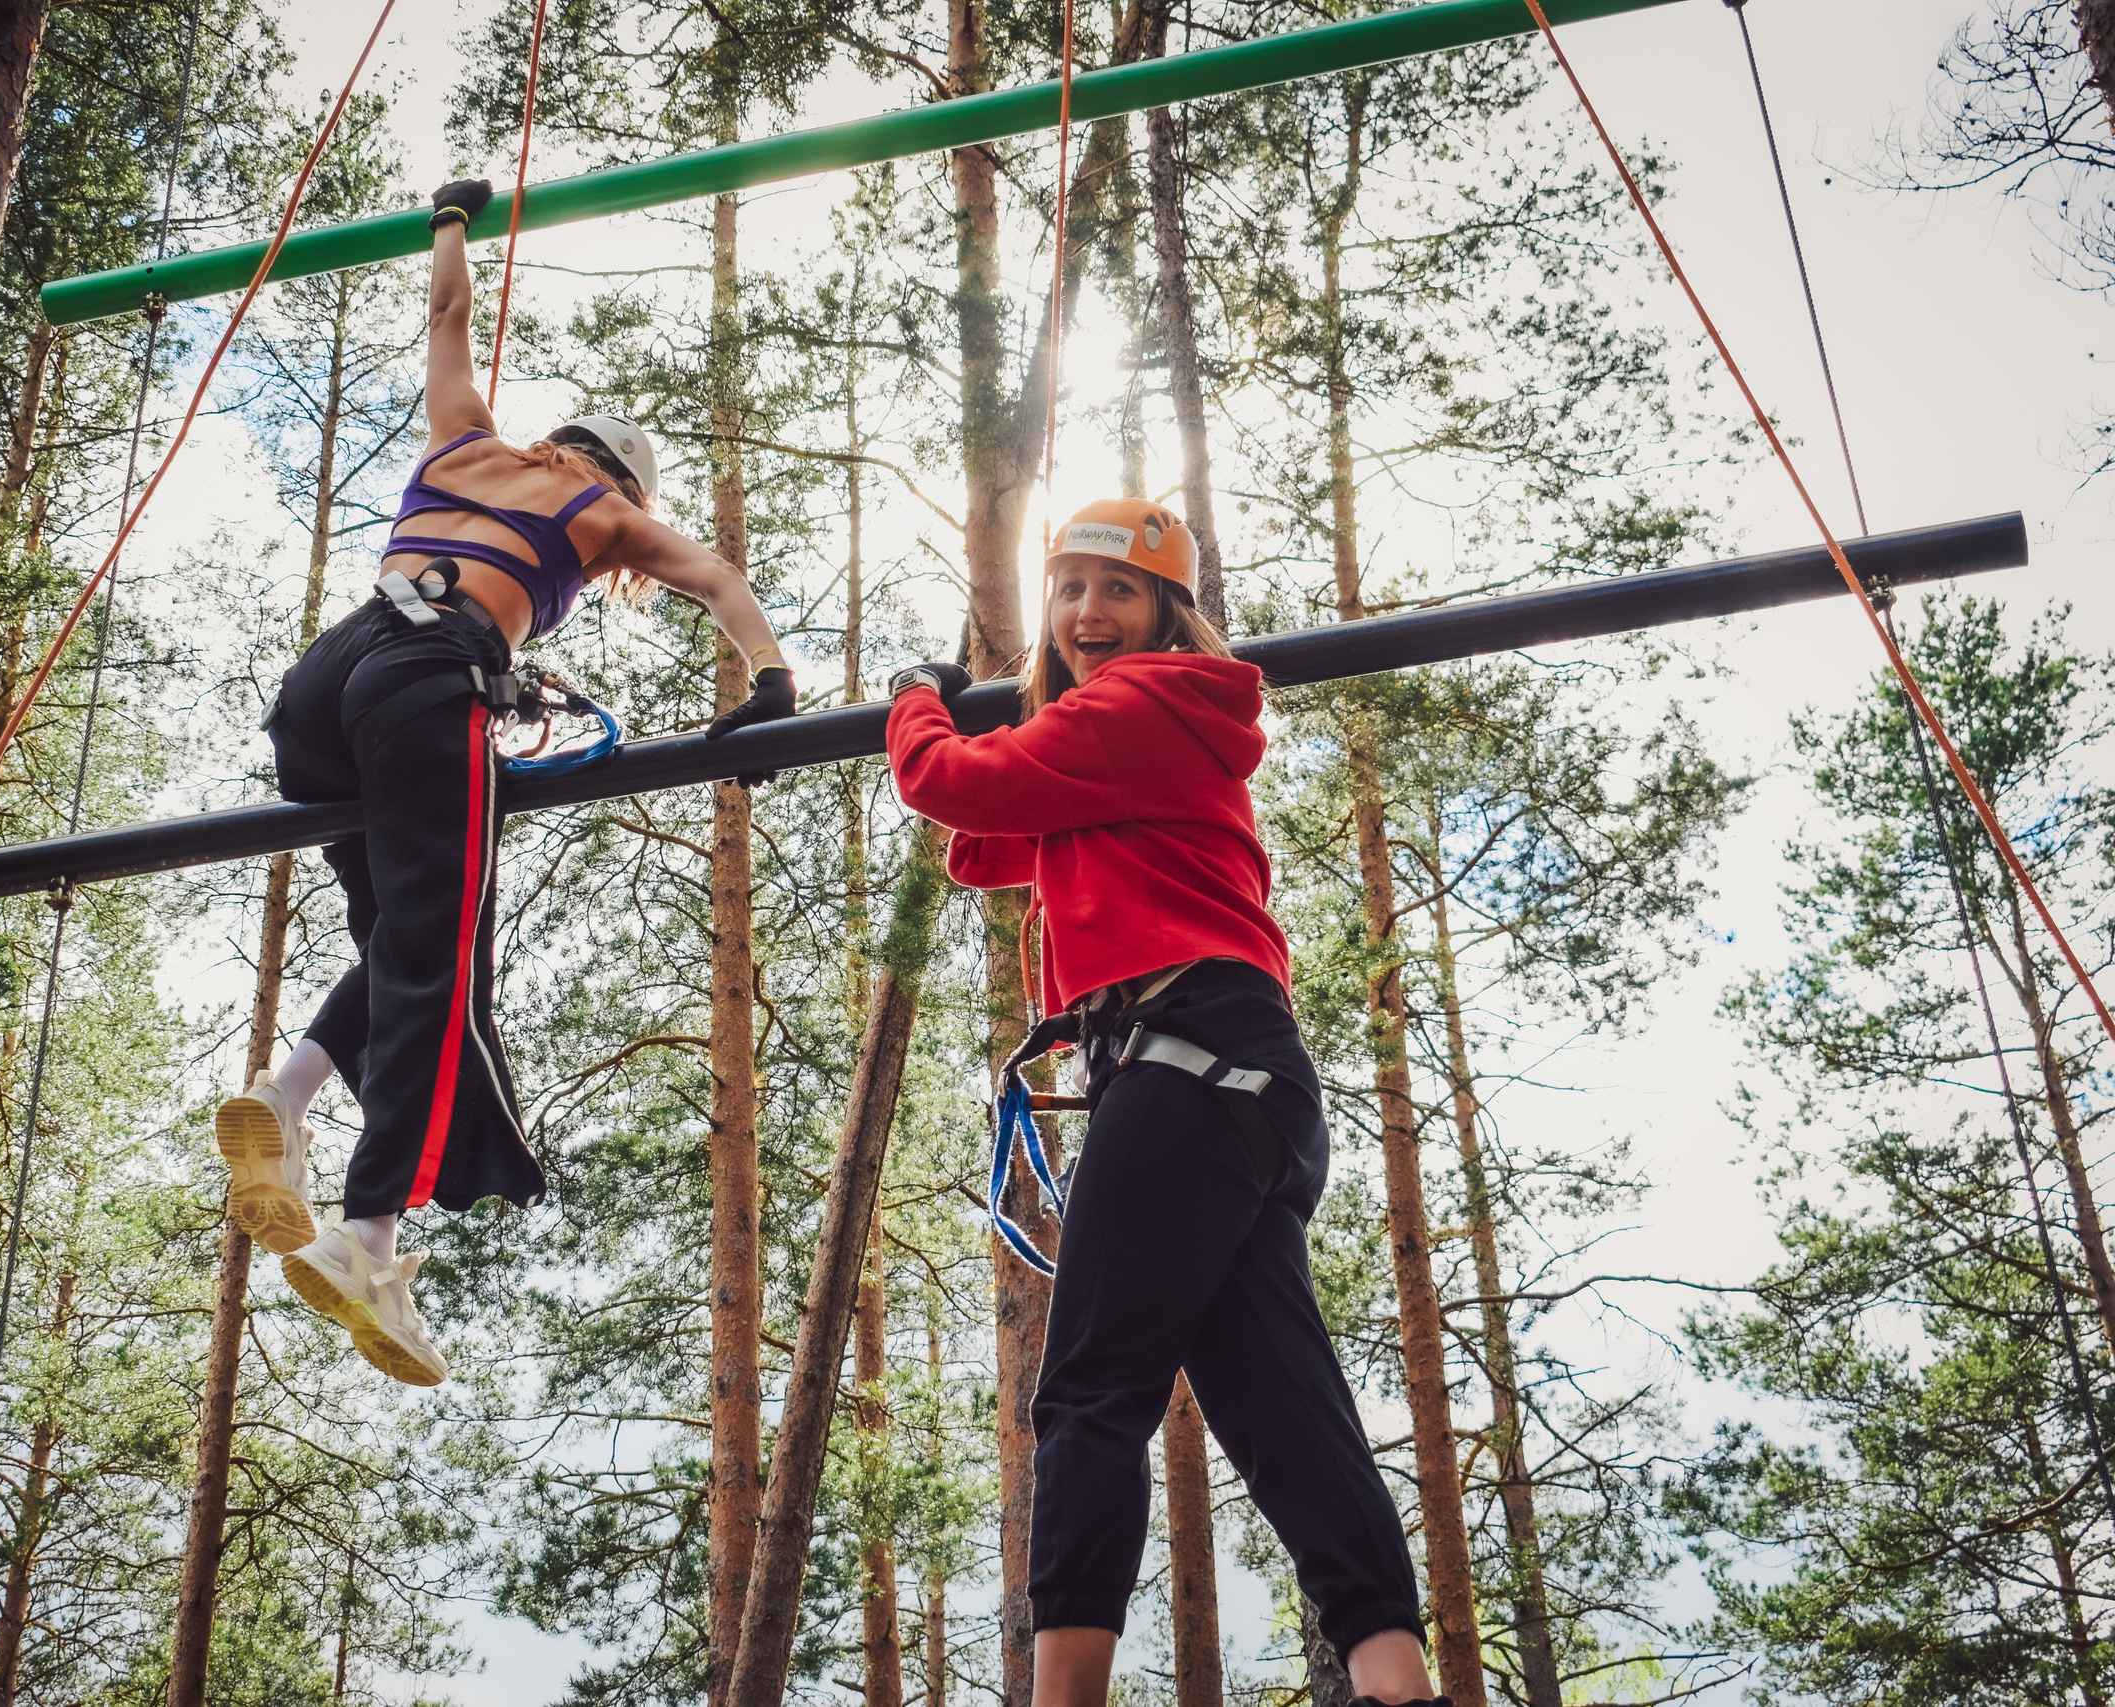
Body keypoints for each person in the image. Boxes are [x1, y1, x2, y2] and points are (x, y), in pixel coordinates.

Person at [215, 177, 798, 1387]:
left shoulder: (465, 439)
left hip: (322, 685)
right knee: (441, 960)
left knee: (398, 935)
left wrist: (449, 223)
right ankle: (368, 1233)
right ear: (626, 482)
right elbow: (718, 580)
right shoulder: (604, 512)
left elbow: (445, 319)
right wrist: (773, 679)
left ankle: (289, 1093)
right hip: (424, 680)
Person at [883, 500, 1445, 1707]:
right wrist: (1016, 716)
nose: (1088, 613)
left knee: (1091, 1391)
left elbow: (946, 785)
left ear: (1167, 616)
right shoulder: (1139, 737)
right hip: (1239, 1083)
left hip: (1186, 1063)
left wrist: (917, 696)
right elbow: (985, 846)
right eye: (1069, 590)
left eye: (1119, 592)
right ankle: (1400, 1687)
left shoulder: (1144, 701)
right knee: (1291, 1429)